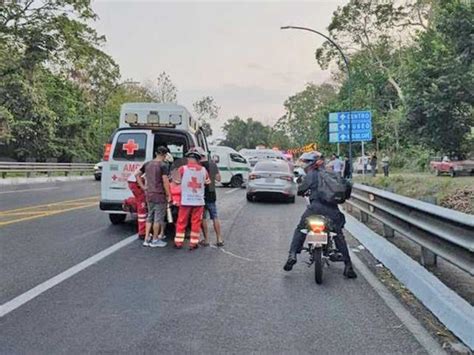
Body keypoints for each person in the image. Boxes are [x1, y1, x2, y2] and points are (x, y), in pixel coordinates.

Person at [283, 151, 357, 279]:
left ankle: (292, 255)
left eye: (306, 162)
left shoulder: (312, 175)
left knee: (300, 229)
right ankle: (348, 265)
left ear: (312, 163)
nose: (304, 165)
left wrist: (303, 190)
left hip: (315, 208)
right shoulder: (332, 174)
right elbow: (346, 186)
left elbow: (301, 190)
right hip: (332, 210)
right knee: (338, 234)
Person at [174, 148, 210, 250]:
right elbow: (208, 182)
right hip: (198, 200)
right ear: (198, 159)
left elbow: (176, 181)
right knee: (196, 222)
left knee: (181, 221)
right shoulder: (203, 170)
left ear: (188, 158)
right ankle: (193, 244)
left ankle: (178, 243)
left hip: (185, 200)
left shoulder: (182, 169)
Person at [135, 146, 171, 248]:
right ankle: (155, 240)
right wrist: (169, 194)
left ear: (156, 153)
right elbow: (165, 181)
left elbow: (137, 175)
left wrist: (143, 187)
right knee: (158, 218)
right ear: (165, 155)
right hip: (159, 194)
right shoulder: (163, 165)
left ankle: (146, 239)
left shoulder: (147, 164)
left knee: (149, 216)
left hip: (149, 194)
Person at [200, 153, 223, 247]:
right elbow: (219, 179)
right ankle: (219, 238)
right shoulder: (213, 164)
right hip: (211, 193)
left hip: (200, 194)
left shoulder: (198, 166)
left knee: (203, 218)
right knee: (215, 216)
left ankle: (206, 240)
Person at [126, 170, 147, 239]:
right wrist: (143, 187)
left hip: (134, 182)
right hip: (136, 183)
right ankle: (142, 232)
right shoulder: (153, 166)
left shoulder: (151, 164)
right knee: (142, 208)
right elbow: (137, 176)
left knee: (141, 204)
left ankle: (128, 202)